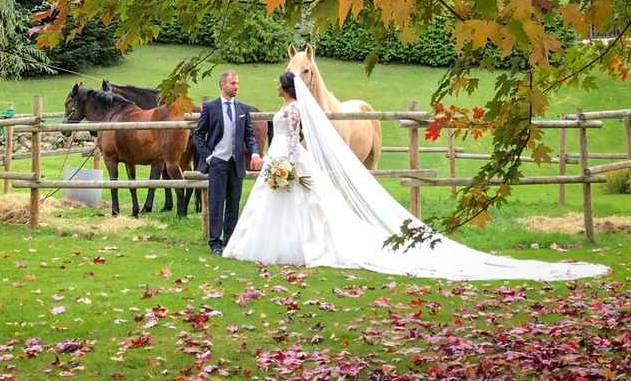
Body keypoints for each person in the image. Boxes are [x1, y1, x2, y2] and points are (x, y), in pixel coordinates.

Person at [223, 71, 609, 281]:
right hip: (280, 160)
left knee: (298, 205)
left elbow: (294, 141)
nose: (276, 84)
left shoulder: (292, 111)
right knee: (291, 207)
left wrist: (285, 166)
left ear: (287, 89)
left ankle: (291, 249)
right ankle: (282, 248)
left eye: (279, 83)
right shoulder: (289, 107)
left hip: (287, 160)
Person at [194, 70, 263, 255]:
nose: (236, 87)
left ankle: (230, 241)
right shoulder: (210, 107)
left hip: (236, 163)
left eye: (237, 83)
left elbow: (249, 136)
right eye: (233, 83)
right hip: (218, 162)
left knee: (234, 203)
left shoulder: (242, 110)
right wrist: (209, 157)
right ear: (222, 85)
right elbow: (198, 134)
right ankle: (215, 242)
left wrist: (255, 153)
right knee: (216, 203)